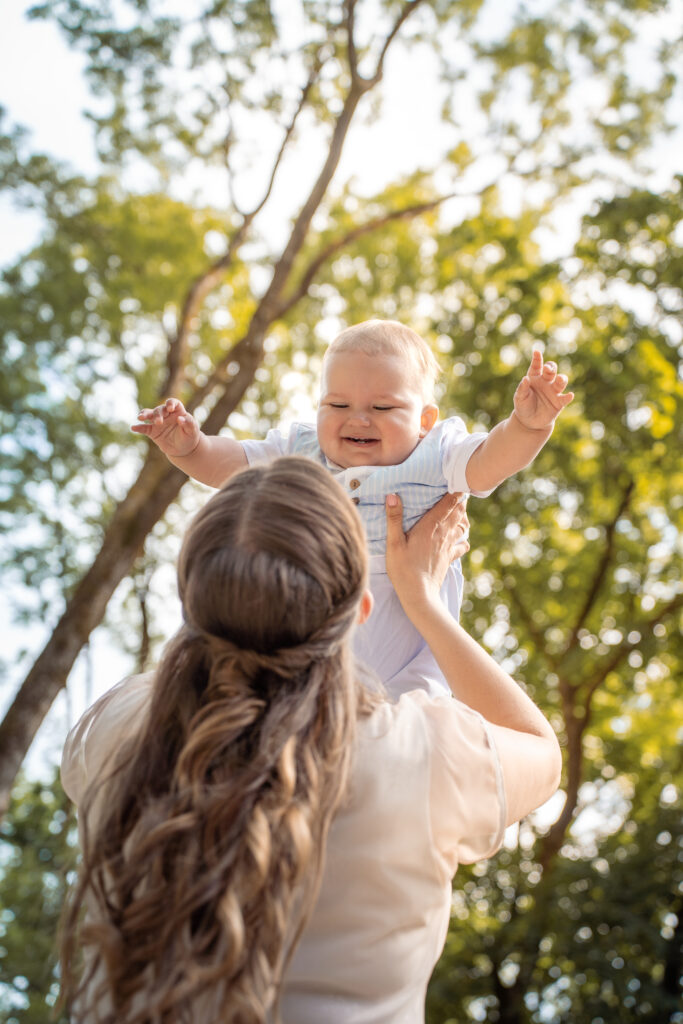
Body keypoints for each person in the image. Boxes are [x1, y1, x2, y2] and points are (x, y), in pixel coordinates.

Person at [59, 457, 562, 1024]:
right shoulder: (422, 756)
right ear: (358, 616)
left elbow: (203, 658)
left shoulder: (114, 732)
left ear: (193, 601)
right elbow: (540, 750)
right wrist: (421, 597)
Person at [132, 320, 574, 699]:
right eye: (337, 405)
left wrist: (526, 426)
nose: (358, 419)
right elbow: (235, 466)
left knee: (410, 715)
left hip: (408, 638)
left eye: (382, 407)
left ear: (424, 420)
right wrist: (192, 447)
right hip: (311, 612)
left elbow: (486, 466)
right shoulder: (301, 449)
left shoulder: (437, 452)